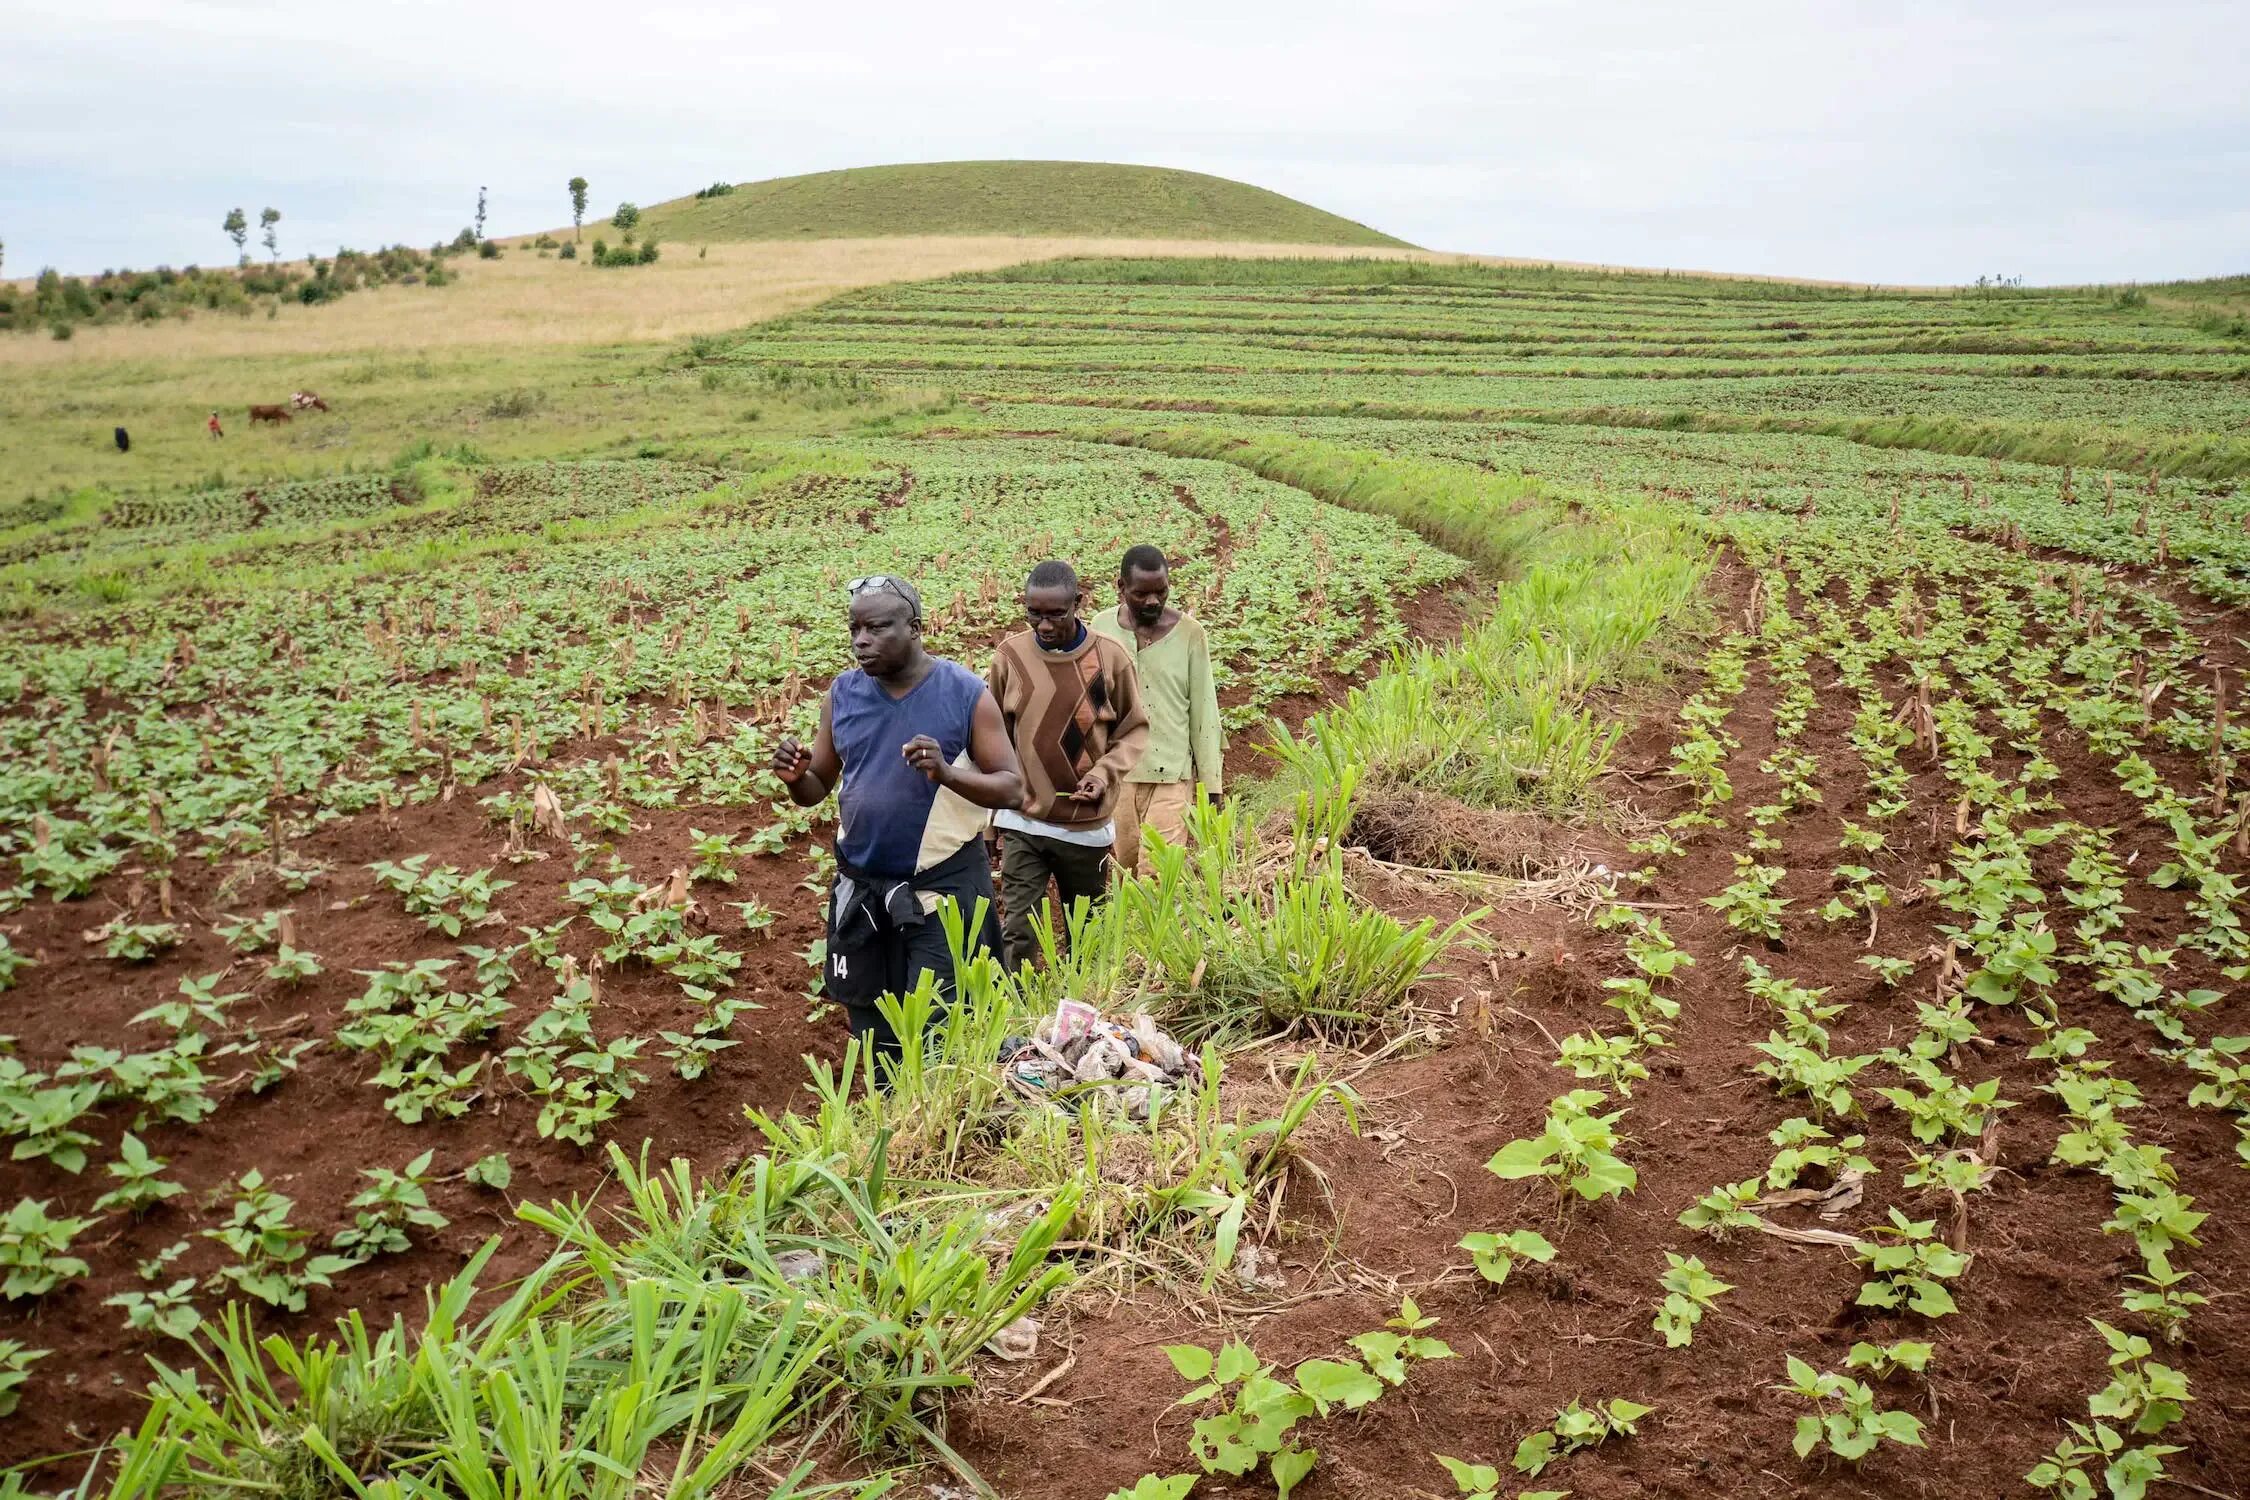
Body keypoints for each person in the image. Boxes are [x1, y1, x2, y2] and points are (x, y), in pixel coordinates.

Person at [772, 574, 1024, 1069]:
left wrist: (946, 773)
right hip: (864, 898)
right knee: (874, 1034)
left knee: (938, 1035)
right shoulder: (842, 696)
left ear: (915, 627)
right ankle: (893, 1129)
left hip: (942, 893)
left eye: (876, 628)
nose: (861, 641)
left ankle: (941, 1134)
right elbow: (817, 786)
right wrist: (796, 777)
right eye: (855, 629)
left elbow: (1012, 787)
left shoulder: (964, 692)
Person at [986, 559, 1150, 971]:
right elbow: (994, 741)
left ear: (1078, 603)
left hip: (1086, 827)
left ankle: (1081, 1017)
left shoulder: (1109, 660)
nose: (1044, 625)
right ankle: (1019, 1018)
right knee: (1019, 929)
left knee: (1087, 934)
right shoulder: (1009, 658)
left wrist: (1102, 774)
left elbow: (1133, 730)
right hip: (1023, 820)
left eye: (1056, 613)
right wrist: (990, 821)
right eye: (1034, 614)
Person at [1090, 544, 1223, 876]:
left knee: (1159, 875)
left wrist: (1212, 784)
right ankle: (1125, 930)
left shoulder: (1191, 634)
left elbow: (1205, 714)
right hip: (1119, 774)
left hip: (1172, 775)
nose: (1152, 601)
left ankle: (1160, 929)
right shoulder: (1100, 628)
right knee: (1123, 870)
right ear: (1120, 587)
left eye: (1161, 592)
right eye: (1141, 594)